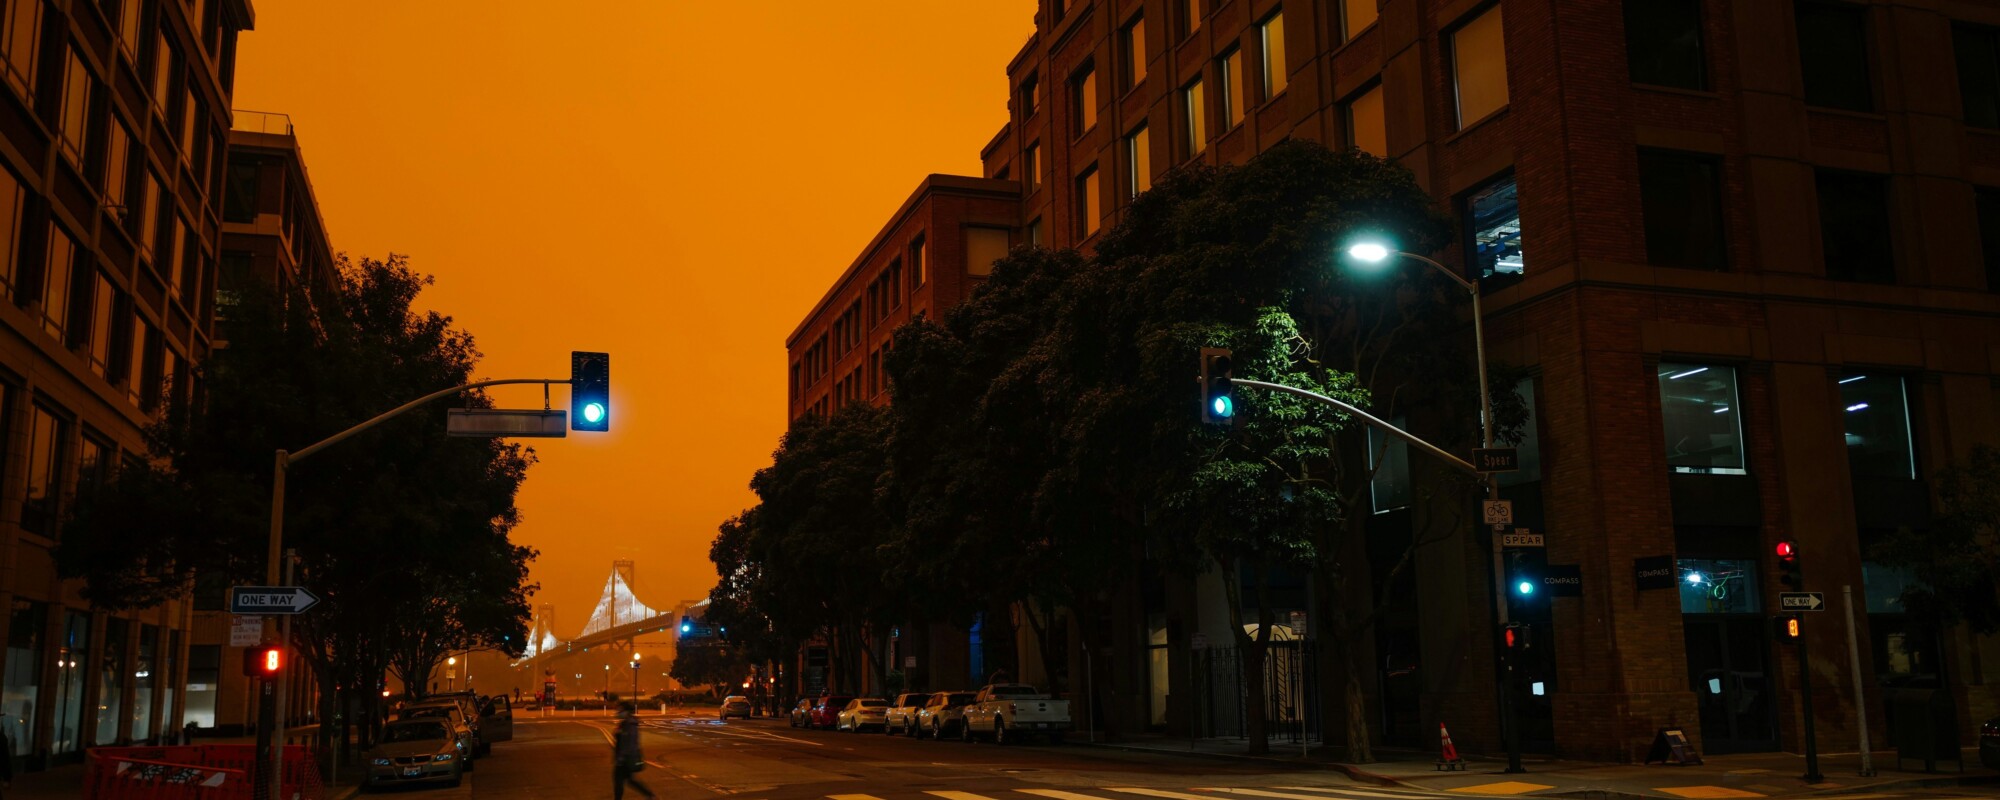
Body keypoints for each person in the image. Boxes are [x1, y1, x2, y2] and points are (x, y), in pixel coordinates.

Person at [611, 702, 654, 800]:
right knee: (629, 780)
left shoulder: (630, 724)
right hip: (624, 757)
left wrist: (621, 758)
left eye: (620, 710)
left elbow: (629, 743)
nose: (618, 712)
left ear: (626, 711)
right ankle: (649, 795)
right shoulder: (625, 723)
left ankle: (650, 795)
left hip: (625, 758)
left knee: (619, 780)